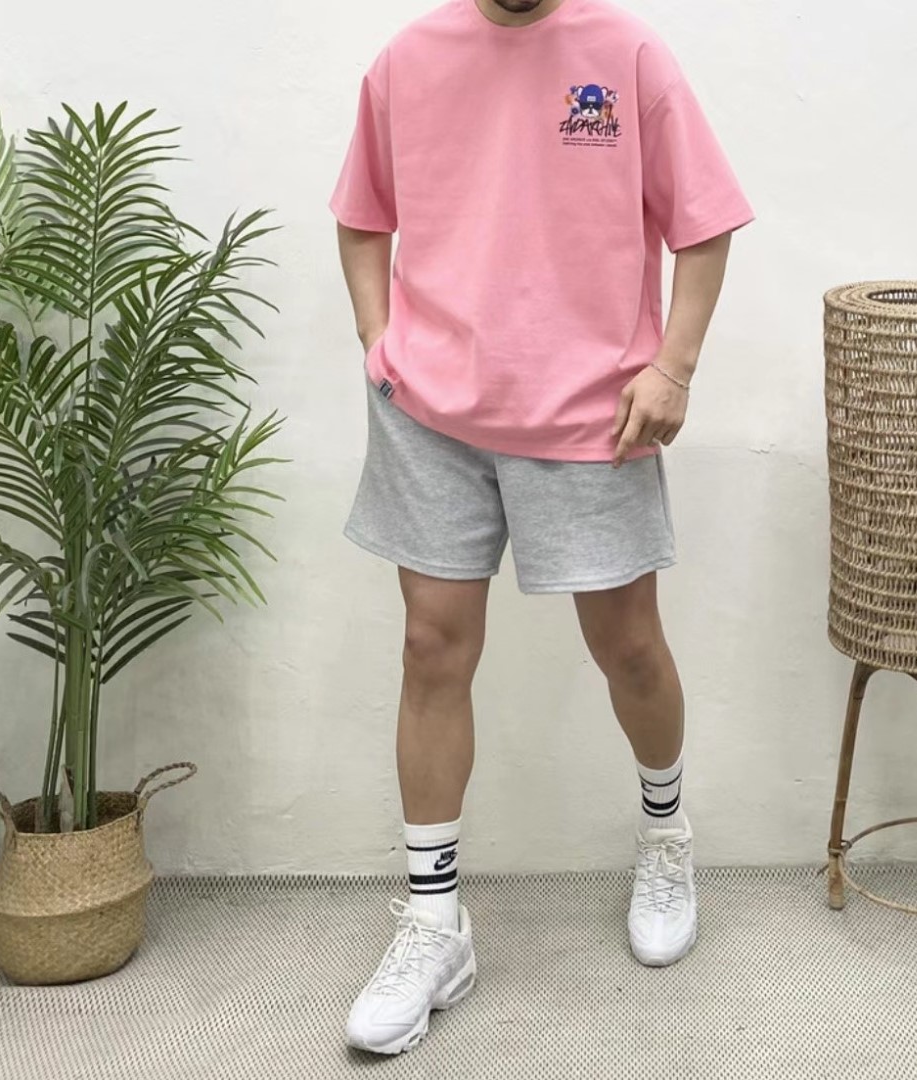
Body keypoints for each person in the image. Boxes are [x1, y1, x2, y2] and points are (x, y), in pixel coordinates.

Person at [331, 0, 753, 1056]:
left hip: (592, 415)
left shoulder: (625, 54)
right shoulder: (408, 60)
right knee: (430, 648)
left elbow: (703, 224)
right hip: (429, 413)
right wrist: (380, 343)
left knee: (629, 648)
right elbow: (361, 215)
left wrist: (673, 369)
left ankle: (664, 835)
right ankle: (434, 923)